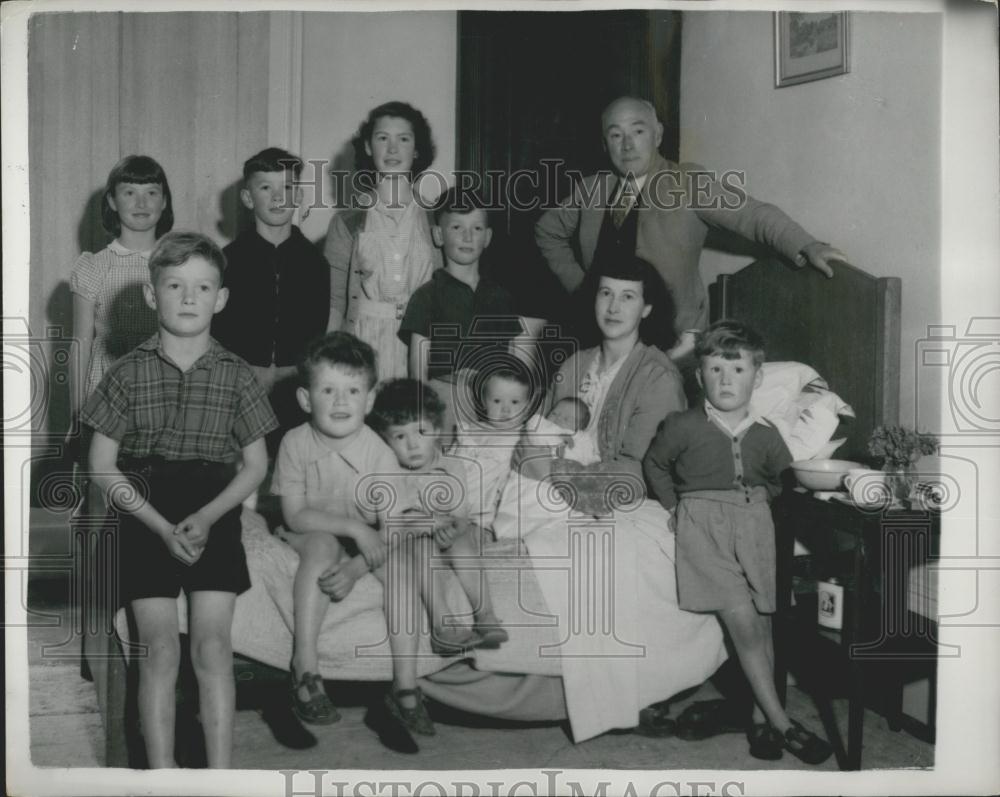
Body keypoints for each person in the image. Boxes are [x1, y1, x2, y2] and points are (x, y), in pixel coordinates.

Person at [80, 231, 277, 768]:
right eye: (175, 285)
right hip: (145, 512)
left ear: (222, 298)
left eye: (202, 287)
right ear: (151, 296)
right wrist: (163, 528)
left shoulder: (237, 374)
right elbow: (101, 465)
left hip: (212, 510)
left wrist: (208, 517)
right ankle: (164, 777)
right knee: (160, 650)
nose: (189, 298)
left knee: (212, 648)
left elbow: (255, 465)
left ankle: (219, 776)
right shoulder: (126, 372)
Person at [643, 320, 833, 764]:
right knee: (745, 625)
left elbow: (781, 480)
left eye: (738, 370)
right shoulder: (682, 425)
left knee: (764, 623)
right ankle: (784, 724)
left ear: (758, 377)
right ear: (699, 376)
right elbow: (655, 466)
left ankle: (760, 721)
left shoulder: (767, 435)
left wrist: (760, 499)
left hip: (754, 527)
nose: (726, 380)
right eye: (715, 370)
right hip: (703, 528)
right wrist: (674, 507)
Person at [534, 96, 847, 359]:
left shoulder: (688, 183)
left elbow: (753, 215)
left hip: (672, 346)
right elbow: (546, 231)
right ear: (605, 144)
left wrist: (806, 244)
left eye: (638, 131)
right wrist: (581, 288)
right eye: (616, 135)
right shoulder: (592, 189)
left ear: (657, 135)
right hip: (602, 340)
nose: (627, 144)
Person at [269, 331, 398, 725]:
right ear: (306, 399)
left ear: (370, 399)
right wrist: (356, 531)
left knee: (405, 562)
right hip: (307, 530)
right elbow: (294, 516)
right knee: (323, 544)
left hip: (357, 540)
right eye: (328, 390)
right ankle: (305, 666)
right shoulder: (295, 442)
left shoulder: (380, 453)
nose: (341, 402)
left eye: (353, 390)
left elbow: (393, 530)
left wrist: (358, 567)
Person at [368, 378, 508, 738]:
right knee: (421, 546)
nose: (412, 444)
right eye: (399, 437)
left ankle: (485, 614)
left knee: (464, 540)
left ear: (438, 430)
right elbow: (395, 522)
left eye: (421, 431)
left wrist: (452, 527)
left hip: (447, 539)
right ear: (385, 441)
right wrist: (430, 525)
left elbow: (460, 514)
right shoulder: (389, 473)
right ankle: (443, 625)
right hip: (412, 544)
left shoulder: (453, 468)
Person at [212, 147, 330, 442]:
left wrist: (295, 372)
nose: (278, 197)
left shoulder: (315, 261)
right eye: (266, 188)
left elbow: (319, 330)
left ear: (300, 196)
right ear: (248, 198)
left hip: (296, 388)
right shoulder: (226, 260)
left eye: (287, 187)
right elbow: (215, 331)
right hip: (239, 388)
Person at [325, 101, 441, 381]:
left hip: (421, 346)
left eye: (403, 139)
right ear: (368, 147)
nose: (392, 149)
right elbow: (334, 302)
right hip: (363, 344)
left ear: (416, 150)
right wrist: (329, 363)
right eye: (382, 138)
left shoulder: (437, 218)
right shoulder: (347, 222)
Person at [399, 187, 524, 442]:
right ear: (438, 235)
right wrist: (425, 413)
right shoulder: (427, 296)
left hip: (493, 402)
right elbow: (418, 366)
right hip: (445, 399)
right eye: (457, 227)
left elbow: (512, 360)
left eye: (476, 229)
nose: (467, 236)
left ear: (488, 237)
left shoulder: (501, 297)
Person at [70, 155, 174, 423]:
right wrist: (77, 413)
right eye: (129, 193)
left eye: (151, 192)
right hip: (106, 391)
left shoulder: (177, 264)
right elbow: (80, 344)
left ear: (164, 202)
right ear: (112, 202)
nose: (141, 203)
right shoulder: (93, 266)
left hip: (163, 391)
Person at [451, 366, 538, 529]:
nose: (505, 409)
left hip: (486, 506)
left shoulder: (525, 436)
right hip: (453, 494)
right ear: (484, 402)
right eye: (497, 401)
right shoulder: (471, 430)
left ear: (527, 407)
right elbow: (451, 460)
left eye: (514, 402)